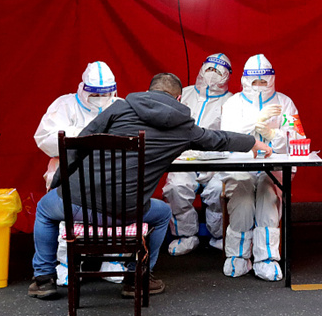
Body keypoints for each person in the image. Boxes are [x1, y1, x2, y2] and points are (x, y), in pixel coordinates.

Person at [28, 73, 272, 300]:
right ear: (178, 98)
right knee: (163, 213)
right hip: (124, 213)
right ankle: (138, 277)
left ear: (148, 91)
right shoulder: (183, 127)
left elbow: (78, 144)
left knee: (45, 209)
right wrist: (252, 143)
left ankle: (44, 279)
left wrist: (59, 185)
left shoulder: (119, 108)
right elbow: (217, 140)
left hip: (77, 204)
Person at [218, 54, 305, 281]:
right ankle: (237, 257)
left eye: (263, 81)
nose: (258, 87)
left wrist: (272, 135)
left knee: (268, 196)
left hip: (274, 169)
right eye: (254, 82)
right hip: (240, 169)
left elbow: (297, 139)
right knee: (243, 198)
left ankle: (267, 258)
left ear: (272, 79)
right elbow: (228, 138)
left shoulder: (285, 103)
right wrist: (255, 123)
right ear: (246, 80)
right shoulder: (232, 104)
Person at [33, 61, 121, 285]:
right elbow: (44, 138)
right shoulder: (65, 105)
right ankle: (66, 263)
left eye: (106, 94)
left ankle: (113, 259)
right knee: (63, 218)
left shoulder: (120, 106)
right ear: (83, 88)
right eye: (95, 95)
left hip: (111, 182)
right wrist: (78, 136)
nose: (101, 99)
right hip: (70, 178)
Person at [162, 53, 234, 256]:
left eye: (218, 71)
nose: (212, 74)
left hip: (217, 162)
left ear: (227, 76)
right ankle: (186, 235)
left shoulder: (232, 102)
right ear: (201, 68)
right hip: (182, 158)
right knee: (176, 188)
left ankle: (219, 236)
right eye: (209, 68)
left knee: (217, 193)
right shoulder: (182, 95)